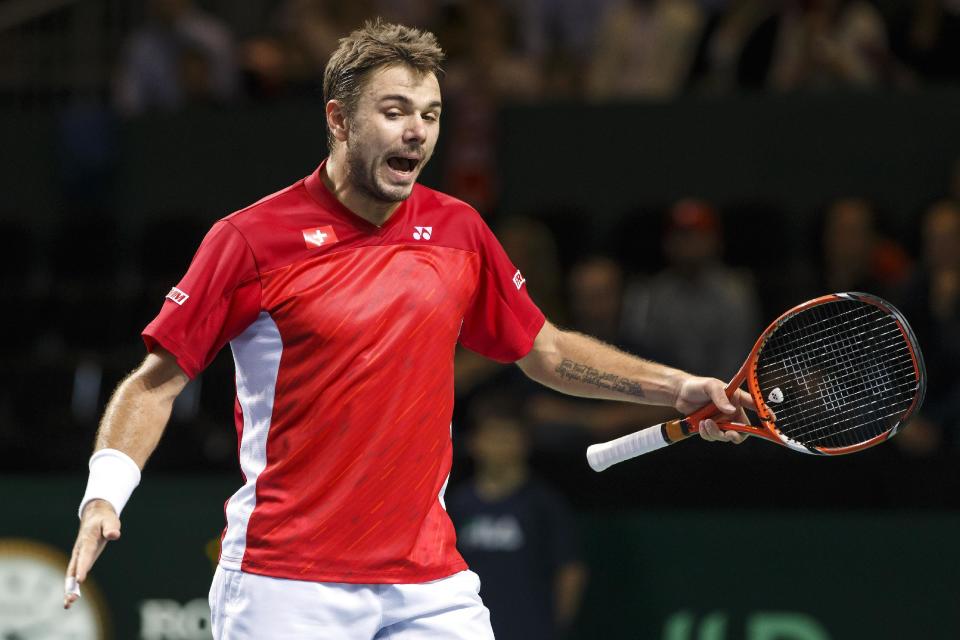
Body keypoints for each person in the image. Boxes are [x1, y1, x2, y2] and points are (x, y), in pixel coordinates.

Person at [64, 20, 753, 639]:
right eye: (394, 112)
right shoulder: (250, 240)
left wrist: (678, 387)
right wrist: (104, 494)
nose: (417, 131)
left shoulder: (458, 230)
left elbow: (542, 349)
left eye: (430, 114)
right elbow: (155, 384)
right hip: (287, 581)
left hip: (429, 582)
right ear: (338, 120)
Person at [448, 397, 587, 640]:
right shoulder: (457, 505)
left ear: (525, 442)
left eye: (508, 436)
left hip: (531, 629)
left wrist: (553, 628)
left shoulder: (544, 504)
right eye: (493, 436)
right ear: (474, 443)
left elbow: (570, 571)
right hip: (469, 629)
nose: (501, 445)